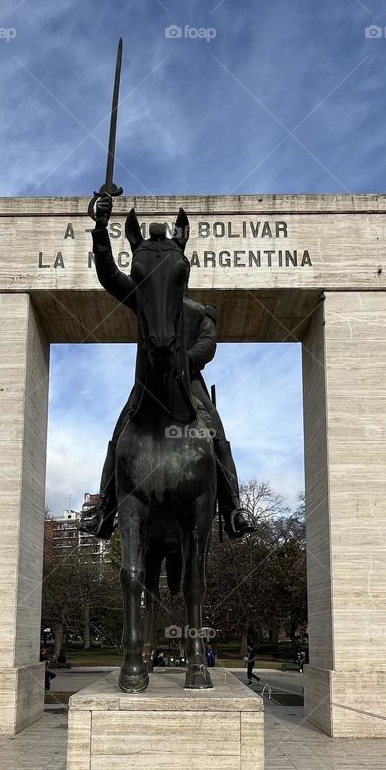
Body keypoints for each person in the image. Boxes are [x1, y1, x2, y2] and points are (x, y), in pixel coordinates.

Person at [80, 191, 255, 543]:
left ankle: (234, 507)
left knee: (217, 435)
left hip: (188, 385)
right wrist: (101, 229)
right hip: (147, 386)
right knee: (119, 436)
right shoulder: (145, 300)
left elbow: (207, 346)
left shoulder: (200, 311)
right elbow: (110, 276)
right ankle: (104, 509)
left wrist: (184, 361)